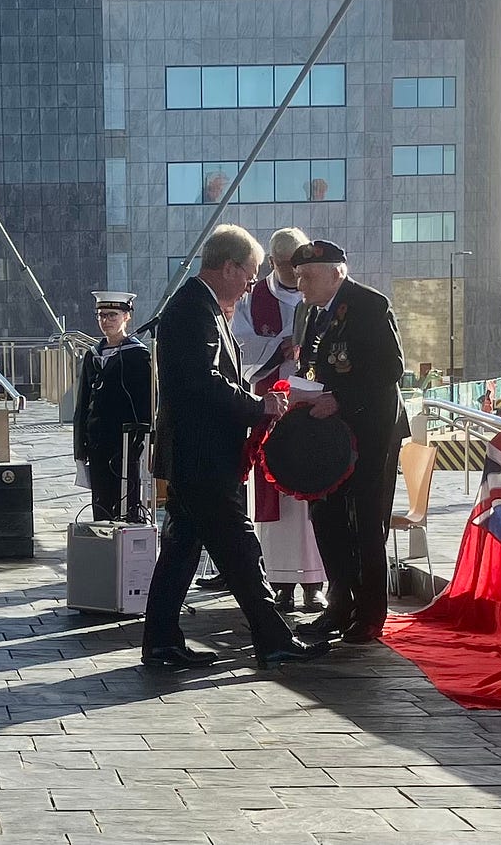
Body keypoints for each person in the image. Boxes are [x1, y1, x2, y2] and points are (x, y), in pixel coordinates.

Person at [141, 225, 329, 670]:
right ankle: (272, 638)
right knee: (239, 546)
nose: (250, 283)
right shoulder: (193, 310)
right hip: (202, 454)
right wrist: (259, 405)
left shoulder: (201, 306)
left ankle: (162, 641)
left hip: (196, 453)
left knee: (182, 550)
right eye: (249, 272)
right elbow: (203, 382)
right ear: (228, 267)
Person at [291, 240, 410, 644]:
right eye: (298, 275)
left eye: (307, 276)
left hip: (370, 431)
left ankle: (371, 613)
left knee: (365, 521)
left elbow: (391, 368)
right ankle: (340, 603)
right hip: (330, 434)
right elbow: (312, 365)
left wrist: (340, 399)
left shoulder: (369, 306)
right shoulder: (311, 313)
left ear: (335, 272)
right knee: (326, 517)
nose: (300, 283)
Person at [231, 226, 328, 615]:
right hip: (272, 411)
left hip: (311, 412)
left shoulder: (320, 295)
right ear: (273, 262)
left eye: (299, 264)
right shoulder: (253, 299)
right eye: (286, 265)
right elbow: (240, 350)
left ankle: (315, 583)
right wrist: (280, 345)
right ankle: (282, 583)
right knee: (278, 503)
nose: (294, 273)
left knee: (312, 500)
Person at [72, 291, 153, 523]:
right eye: (101, 315)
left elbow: (146, 401)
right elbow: (83, 404)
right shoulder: (93, 355)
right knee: (101, 506)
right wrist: (80, 449)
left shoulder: (138, 355)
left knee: (126, 504)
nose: (105, 321)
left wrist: (145, 441)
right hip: (98, 442)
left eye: (112, 315)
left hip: (126, 442)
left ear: (126, 317)